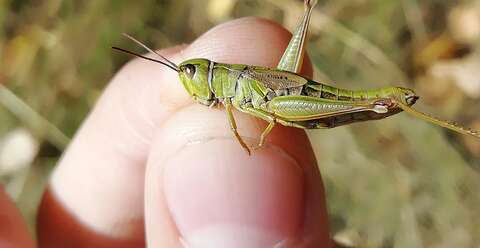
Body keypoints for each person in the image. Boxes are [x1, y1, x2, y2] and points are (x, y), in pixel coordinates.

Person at [1, 17, 331, 247]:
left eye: (190, 72)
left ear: (206, 71)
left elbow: (242, 111)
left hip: (287, 100)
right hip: (277, 105)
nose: (187, 79)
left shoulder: (231, 90)